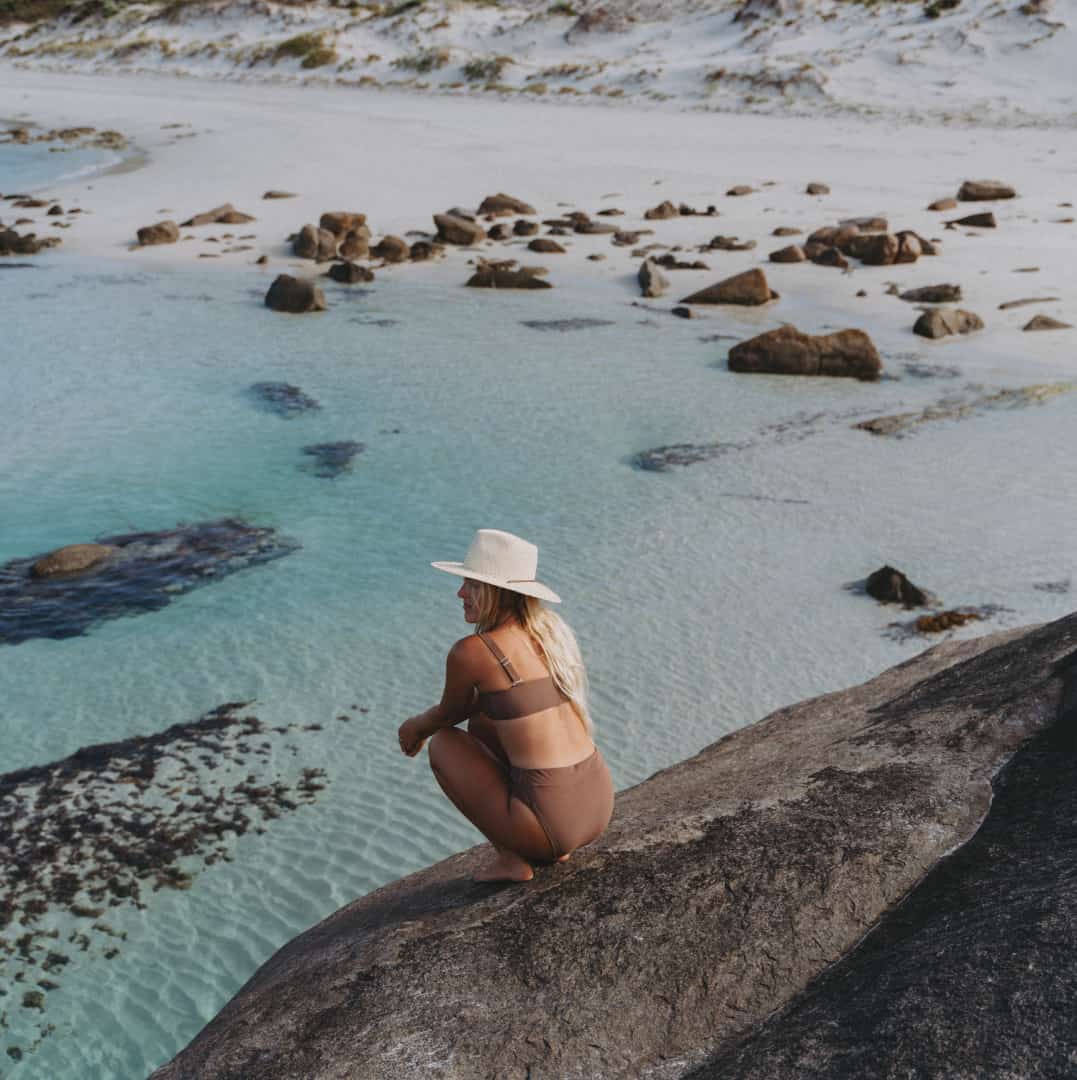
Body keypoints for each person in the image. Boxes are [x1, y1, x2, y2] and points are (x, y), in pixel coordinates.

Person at [397, 529, 614, 883]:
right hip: (598, 803)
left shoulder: (472, 651)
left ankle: (511, 859)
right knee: (483, 723)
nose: (460, 593)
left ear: (496, 592)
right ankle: (552, 842)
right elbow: (493, 706)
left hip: (551, 820)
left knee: (445, 743)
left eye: (472, 585)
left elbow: (448, 715)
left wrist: (415, 728)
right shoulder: (550, 634)